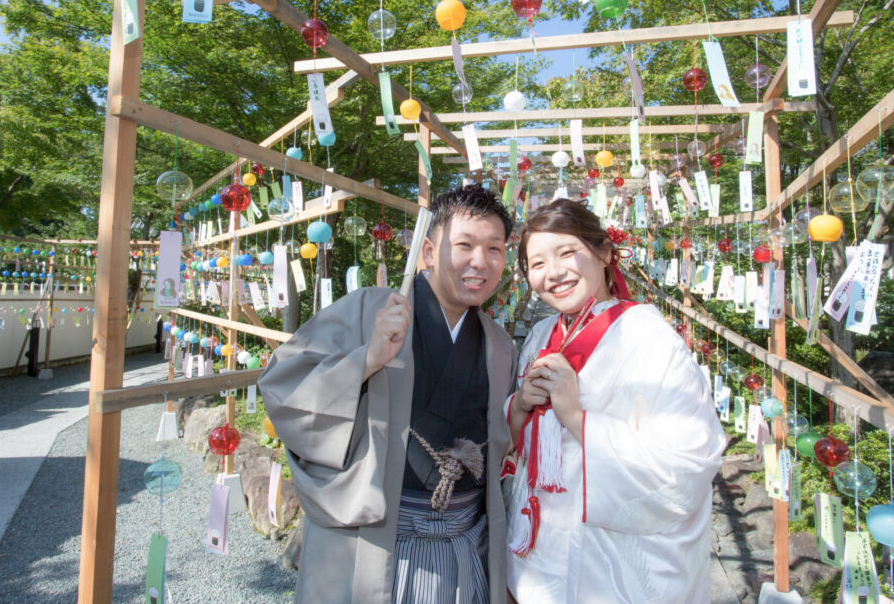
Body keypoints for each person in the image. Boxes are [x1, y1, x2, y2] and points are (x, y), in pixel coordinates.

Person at [259, 185, 517, 603]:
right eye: (464, 245)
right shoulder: (368, 311)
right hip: (375, 543)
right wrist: (367, 358)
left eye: (494, 248)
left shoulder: (499, 344)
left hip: (466, 547)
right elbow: (283, 388)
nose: (480, 262)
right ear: (429, 252)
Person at [503, 199, 725, 603]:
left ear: (605, 253)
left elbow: (689, 462)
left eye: (567, 252)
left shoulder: (649, 339)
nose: (553, 273)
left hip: (610, 567)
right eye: (536, 264)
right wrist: (518, 408)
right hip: (537, 554)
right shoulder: (540, 336)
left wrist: (576, 418)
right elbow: (520, 450)